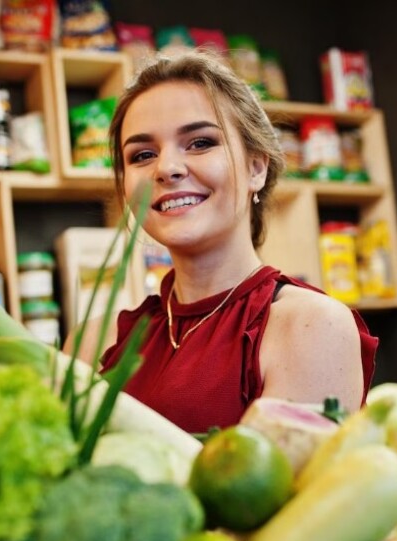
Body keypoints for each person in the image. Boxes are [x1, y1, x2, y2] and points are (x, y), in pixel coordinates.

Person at [69, 50, 378, 434]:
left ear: (255, 167)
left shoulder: (312, 326)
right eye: (143, 154)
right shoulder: (88, 346)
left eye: (199, 143)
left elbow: (280, 492)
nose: (166, 168)